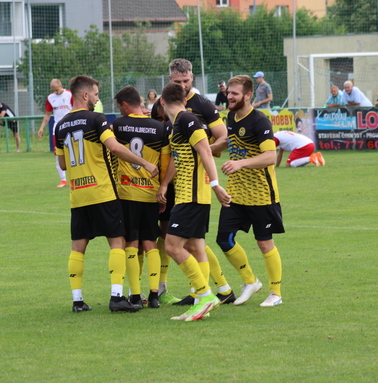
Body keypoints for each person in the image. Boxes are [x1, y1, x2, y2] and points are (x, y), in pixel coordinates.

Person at [55, 75, 158, 314]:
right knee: (118, 242)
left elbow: (61, 163)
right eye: (95, 94)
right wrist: (144, 163)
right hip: (102, 191)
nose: (96, 99)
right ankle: (116, 297)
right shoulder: (96, 118)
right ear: (85, 95)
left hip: (78, 194)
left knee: (78, 246)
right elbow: (114, 147)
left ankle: (77, 301)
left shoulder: (60, 125)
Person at [155, 58, 235, 306]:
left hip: (194, 190)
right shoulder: (175, 120)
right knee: (194, 245)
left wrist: (213, 180)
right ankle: (210, 294)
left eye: (186, 81)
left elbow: (214, 146)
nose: (183, 85)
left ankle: (203, 294)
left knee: (173, 244)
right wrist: (165, 183)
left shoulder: (192, 116)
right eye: (178, 82)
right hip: (182, 190)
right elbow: (176, 155)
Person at [217, 74, 285, 307]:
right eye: (228, 93)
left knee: (264, 242)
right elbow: (231, 141)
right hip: (236, 192)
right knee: (224, 239)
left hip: (261, 193)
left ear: (248, 95)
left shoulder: (260, 121)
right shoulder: (230, 117)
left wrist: (239, 163)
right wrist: (207, 148)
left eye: (234, 94)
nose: (229, 97)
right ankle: (250, 281)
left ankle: (275, 293)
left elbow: (270, 157)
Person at [113, 85, 170, 309]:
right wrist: (162, 189)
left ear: (126, 105)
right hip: (150, 192)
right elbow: (165, 165)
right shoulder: (159, 127)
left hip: (126, 193)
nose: (120, 111)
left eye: (120, 107)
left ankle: (135, 295)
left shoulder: (118, 125)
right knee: (150, 242)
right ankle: (154, 295)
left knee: (131, 242)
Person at [37, 79, 73, 188]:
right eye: (54, 90)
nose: (56, 92)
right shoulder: (50, 98)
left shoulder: (69, 95)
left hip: (70, 127)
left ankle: (74, 178)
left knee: (72, 154)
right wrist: (41, 127)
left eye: (57, 90)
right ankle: (63, 180)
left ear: (61, 85)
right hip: (57, 130)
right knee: (58, 155)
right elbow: (48, 114)